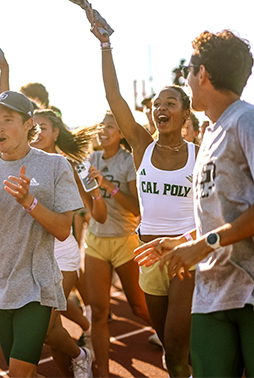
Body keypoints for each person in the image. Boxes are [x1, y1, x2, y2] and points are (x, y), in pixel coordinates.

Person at [135, 30, 254, 377]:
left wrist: (204, 243)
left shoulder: (251, 121)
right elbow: (224, 215)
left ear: (204, 74)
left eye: (188, 72)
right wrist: (182, 242)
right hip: (213, 293)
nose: (187, 80)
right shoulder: (210, 133)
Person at [89, 23, 198, 377]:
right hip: (147, 254)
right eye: (156, 104)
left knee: (179, 347)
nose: (160, 108)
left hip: (185, 255)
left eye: (171, 103)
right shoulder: (141, 146)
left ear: (185, 114)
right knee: (169, 350)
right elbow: (113, 96)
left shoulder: (202, 153)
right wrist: (105, 45)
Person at [0, 91, 84, 378]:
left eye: (8, 119)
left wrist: (30, 202)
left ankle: (81, 356)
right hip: (0, 289)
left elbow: (64, 230)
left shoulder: (54, 165)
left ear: (29, 124)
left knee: (18, 374)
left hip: (37, 285)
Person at [76, 106, 152, 377]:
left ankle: (175, 343)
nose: (103, 130)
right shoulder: (89, 159)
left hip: (125, 241)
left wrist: (108, 186)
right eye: (101, 125)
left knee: (139, 307)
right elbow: (85, 200)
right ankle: (104, 373)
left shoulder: (127, 161)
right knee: (98, 312)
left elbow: (136, 209)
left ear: (121, 133)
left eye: (110, 126)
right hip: (96, 241)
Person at [32, 108, 99, 377]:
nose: (36, 133)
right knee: (52, 331)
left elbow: (91, 207)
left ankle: (81, 353)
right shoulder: (22, 162)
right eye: (32, 128)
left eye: (42, 128)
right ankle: (77, 360)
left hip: (61, 254)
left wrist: (99, 192)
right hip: (33, 255)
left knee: (45, 330)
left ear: (55, 132)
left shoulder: (68, 165)